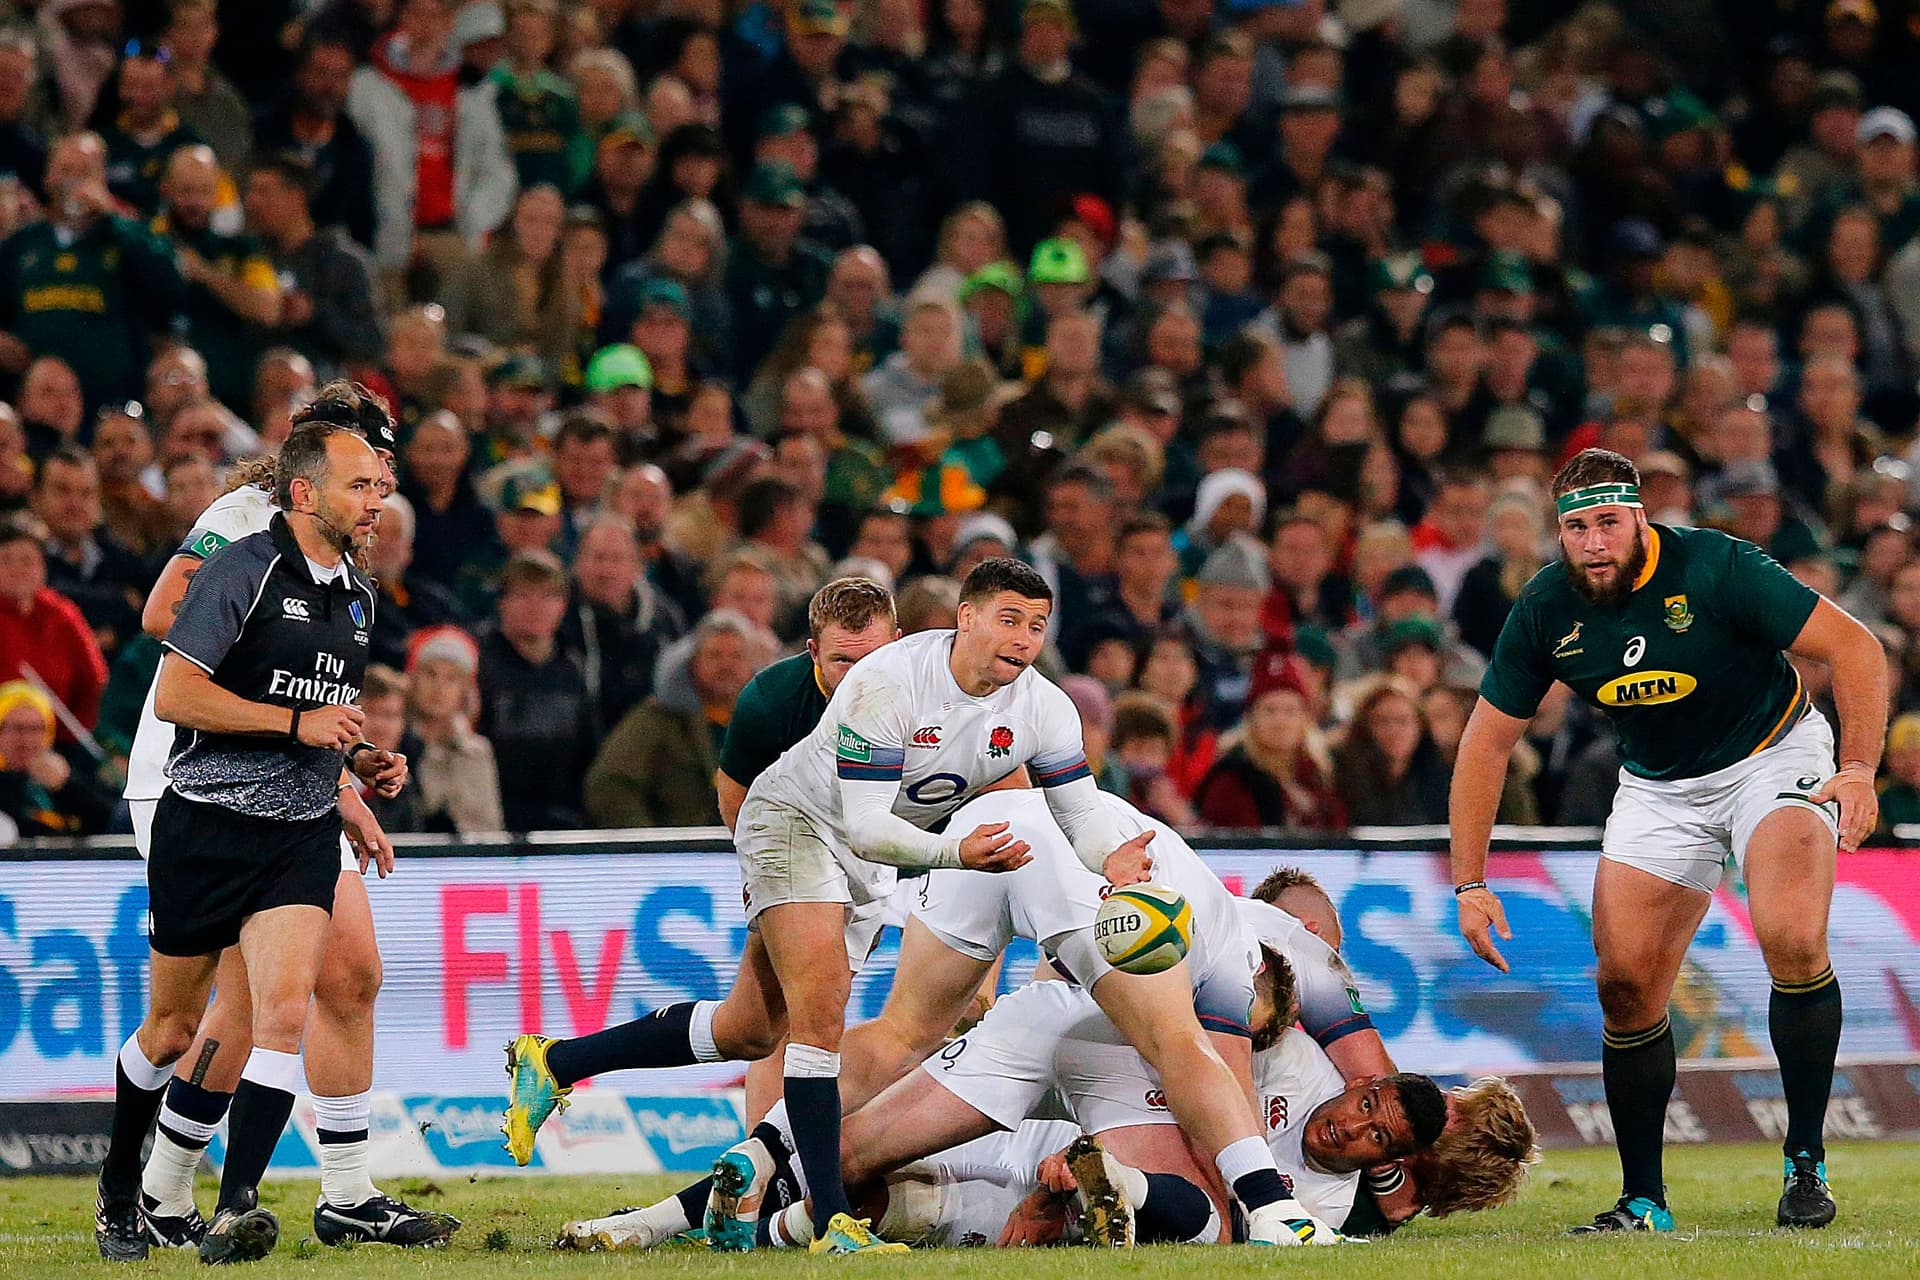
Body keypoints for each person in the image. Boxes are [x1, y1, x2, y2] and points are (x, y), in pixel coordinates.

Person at [1452, 448, 1888, 1234]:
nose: (1593, 543)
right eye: (1576, 528)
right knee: (1623, 988)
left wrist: (1857, 769)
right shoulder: (1547, 606)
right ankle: (1643, 1199)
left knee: (1791, 937)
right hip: (1659, 785)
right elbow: (1485, 744)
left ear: (1641, 517)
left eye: (1608, 523)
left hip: (1773, 755)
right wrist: (1470, 882)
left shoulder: (1720, 567)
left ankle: (1804, 1160)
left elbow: (1856, 647)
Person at [114, 385, 453, 1255]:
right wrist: (298, 729)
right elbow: (166, 621)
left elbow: (319, 692)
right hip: (192, 781)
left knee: (342, 977)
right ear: (319, 463)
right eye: (373, 462)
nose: (384, 480)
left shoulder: (355, 580)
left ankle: (326, 1193)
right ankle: (151, 1184)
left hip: (295, 789)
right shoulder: (248, 523)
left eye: (384, 470)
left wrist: (342, 776)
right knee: (211, 1011)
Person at [582, 609, 770, 826]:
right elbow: (609, 784)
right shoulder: (657, 719)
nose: (726, 665)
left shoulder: (773, 723)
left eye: (737, 656)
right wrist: (651, 844)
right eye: (714, 655)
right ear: (692, 663)